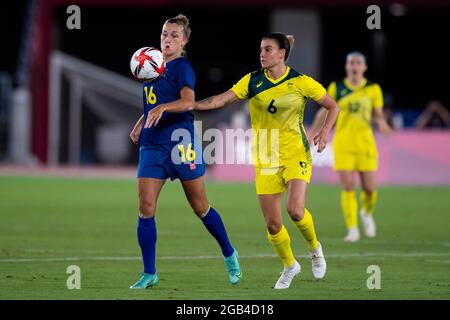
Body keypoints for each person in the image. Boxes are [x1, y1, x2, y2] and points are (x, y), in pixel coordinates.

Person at [196, 33, 339, 289]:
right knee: (273, 225)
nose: (262, 54)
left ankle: (315, 249)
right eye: (261, 49)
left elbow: (332, 105)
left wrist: (325, 131)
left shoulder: (301, 82)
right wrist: (191, 105)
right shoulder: (252, 81)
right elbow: (221, 99)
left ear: (282, 53)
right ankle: (290, 266)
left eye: (268, 49)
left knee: (295, 210)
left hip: (295, 152)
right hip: (266, 156)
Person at [128, 14, 241, 289]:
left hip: (182, 145)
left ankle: (229, 253)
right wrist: (140, 123)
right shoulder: (150, 68)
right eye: (165, 34)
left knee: (200, 207)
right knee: (145, 208)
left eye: (174, 35)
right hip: (152, 146)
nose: (167, 39)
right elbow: (154, 104)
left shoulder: (182, 68)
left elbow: (188, 102)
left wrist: (162, 109)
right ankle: (149, 272)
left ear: (184, 41)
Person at [311, 51, 392, 243]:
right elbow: (324, 112)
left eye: (358, 63)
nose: (354, 66)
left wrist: (382, 124)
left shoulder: (373, 89)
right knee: (348, 186)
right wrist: (313, 130)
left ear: (363, 67)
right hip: (343, 143)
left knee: (370, 188)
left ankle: (366, 213)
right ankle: (352, 229)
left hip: (365, 144)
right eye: (351, 63)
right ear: (347, 67)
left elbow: (378, 114)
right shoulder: (336, 88)